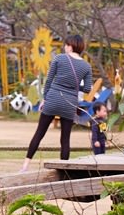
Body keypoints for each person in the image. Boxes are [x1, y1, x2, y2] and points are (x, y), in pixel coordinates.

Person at [21, 35, 93, 172]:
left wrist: (45, 99)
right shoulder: (86, 66)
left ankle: (25, 166)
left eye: (66, 45)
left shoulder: (59, 58)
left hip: (53, 97)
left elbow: (48, 81)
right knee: (65, 139)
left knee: (39, 133)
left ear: (70, 46)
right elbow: (88, 89)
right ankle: (63, 171)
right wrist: (75, 87)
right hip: (69, 103)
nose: (65, 47)